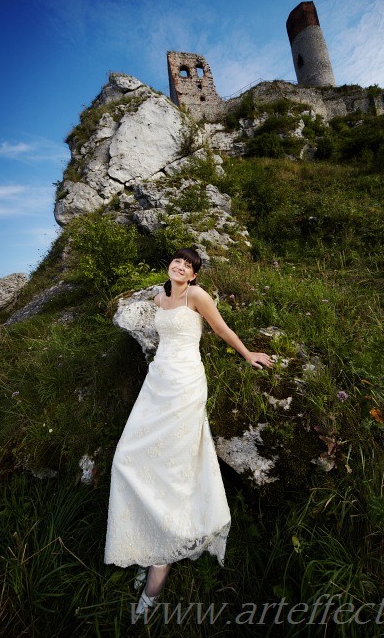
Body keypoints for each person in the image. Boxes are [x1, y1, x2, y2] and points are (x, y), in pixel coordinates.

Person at [104, 248, 272, 618]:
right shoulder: (159, 297)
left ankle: (161, 561)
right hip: (157, 383)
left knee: (173, 465)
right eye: (177, 262)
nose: (180, 267)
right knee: (128, 458)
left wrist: (247, 354)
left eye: (188, 265)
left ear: (194, 275)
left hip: (185, 385)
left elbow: (220, 328)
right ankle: (148, 542)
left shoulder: (197, 296)